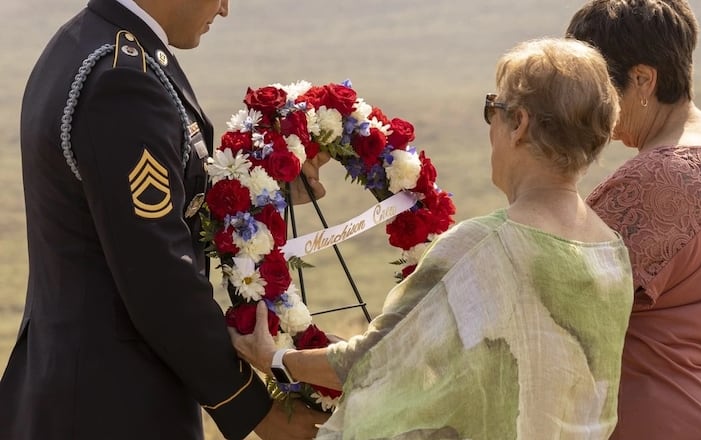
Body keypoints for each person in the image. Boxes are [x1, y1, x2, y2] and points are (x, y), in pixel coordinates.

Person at [230, 38, 635, 439]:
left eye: (492, 108)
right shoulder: (612, 252)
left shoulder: (482, 246)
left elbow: (373, 361)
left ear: (520, 125)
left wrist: (276, 358)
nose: (490, 124)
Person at [0, 0, 328, 439]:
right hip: (111, 405)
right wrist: (255, 408)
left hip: (79, 388)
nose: (226, 9)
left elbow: (137, 215)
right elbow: (157, 273)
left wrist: (265, 187)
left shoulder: (88, 43)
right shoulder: (121, 79)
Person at [565, 1, 701, 438]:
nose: (587, 105)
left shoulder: (653, 179)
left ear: (642, 80)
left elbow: (556, 302)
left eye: (596, 86)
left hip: (661, 420)